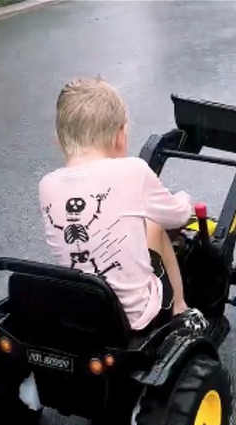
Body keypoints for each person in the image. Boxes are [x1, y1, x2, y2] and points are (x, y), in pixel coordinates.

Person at [38, 76, 206, 333]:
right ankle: (180, 307)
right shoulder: (134, 171)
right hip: (135, 316)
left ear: (59, 141)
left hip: (79, 310)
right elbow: (178, 217)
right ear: (119, 137)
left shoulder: (47, 184)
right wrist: (185, 199)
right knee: (156, 227)